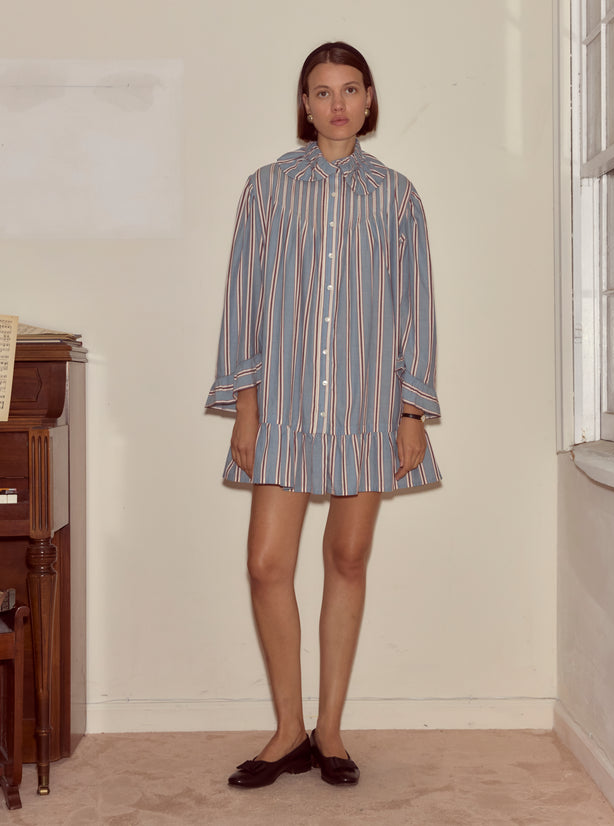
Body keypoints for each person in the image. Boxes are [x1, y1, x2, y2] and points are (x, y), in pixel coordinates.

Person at [206, 41, 441, 788]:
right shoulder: (266, 188)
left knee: (347, 560)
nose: (336, 103)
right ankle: (287, 731)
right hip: (281, 405)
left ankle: (331, 733)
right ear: (304, 105)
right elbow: (242, 299)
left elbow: (415, 309)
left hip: (370, 407)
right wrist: (245, 406)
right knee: (266, 564)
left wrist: (412, 410)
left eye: (349, 89)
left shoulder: (398, 196)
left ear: (369, 100)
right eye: (321, 90)